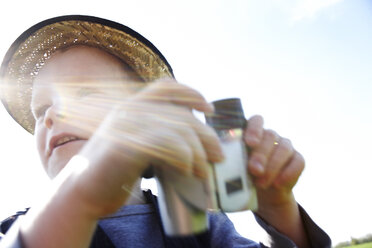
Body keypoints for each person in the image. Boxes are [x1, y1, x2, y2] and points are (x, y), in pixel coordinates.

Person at [0, 15, 331, 248]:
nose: (52, 114)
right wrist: (80, 195)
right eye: (41, 110)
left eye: (85, 93)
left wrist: (278, 210)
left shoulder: (200, 225)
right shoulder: (13, 232)